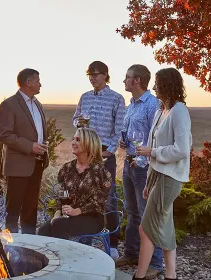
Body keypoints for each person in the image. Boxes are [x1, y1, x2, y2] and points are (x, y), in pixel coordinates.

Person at [133, 68, 192, 280]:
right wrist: (149, 180)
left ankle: (139, 276)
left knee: (145, 228)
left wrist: (153, 152)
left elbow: (182, 150)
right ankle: (171, 275)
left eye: (157, 83)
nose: (154, 87)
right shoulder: (160, 111)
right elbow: (152, 144)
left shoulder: (179, 111)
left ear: (167, 84)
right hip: (156, 174)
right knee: (165, 227)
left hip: (170, 177)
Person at [72, 61, 125, 259]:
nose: (93, 78)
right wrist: (80, 122)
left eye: (96, 74)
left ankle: (112, 244)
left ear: (105, 75)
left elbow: (119, 128)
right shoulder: (84, 97)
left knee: (108, 201)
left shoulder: (116, 99)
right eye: (90, 75)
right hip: (84, 154)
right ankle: (84, 240)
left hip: (104, 156)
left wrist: (109, 151)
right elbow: (75, 119)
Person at [115, 65, 163, 278]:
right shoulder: (131, 104)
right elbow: (131, 133)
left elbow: (157, 137)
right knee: (132, 211)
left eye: (127, 77)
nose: (123, 81)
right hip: (129, 162)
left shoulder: (153, 105)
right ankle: (132, 254)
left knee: (147, 215)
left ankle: (155, 262)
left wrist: (143, 160)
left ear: (137, 80)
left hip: (144, 167)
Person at [0, 68, 49, 234]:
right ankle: (10, 248)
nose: (40, 84)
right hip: (17, 166)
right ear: (28, 82)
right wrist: (30, 146)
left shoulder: (37, 104)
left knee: (31, 209)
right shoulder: (9, 104)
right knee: (13, 210)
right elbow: (3, 134)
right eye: (38, 81)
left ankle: (30, 245)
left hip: (37, 164)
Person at [38, 128, 111, 239]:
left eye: (78, 140)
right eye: (73, 139)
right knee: (43, 230)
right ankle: (47, 256)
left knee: (59, 226)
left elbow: (99, 202)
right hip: (69, 216)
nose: (73, 142)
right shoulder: (67, 168)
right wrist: (58, 213)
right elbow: (62, 195)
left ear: (88, 144)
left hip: (93, 218)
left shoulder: (100, 171)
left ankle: (63, 256)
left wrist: (78, 211)